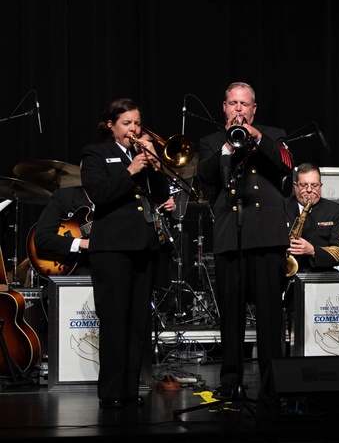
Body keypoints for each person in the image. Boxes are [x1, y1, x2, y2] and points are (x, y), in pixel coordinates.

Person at [197, 82, 293, 401]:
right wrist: (227, 147)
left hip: (267, 235)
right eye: (233, 103)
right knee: (232, 315)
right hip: (229, 236)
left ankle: (272, 378)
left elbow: (283, 168)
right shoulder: (212, 142)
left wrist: (255, 136)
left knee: (269, 315)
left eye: (245, 104)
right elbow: (206, 178)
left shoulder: (273, 133)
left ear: (254, 109)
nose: (239, 109)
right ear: (223, 107)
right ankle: (230, 378)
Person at [81, 98, 174, 409]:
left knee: (138, 322)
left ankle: (131, 388)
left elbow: (160, 197)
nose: (134, 129)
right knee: (115, 321)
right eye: (127, 123)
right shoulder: (97, 154)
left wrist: (157, 168)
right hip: (112, 249)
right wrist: (130, 169)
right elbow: (100, 195)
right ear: (111, 125)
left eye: (136, 123)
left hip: (144, 246)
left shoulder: (143, 156)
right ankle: (111, 392)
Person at [284, 162, 339, 273]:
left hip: (318, 274)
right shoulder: (280, 207)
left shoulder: (334, 210)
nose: (309, 190)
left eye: (314, 185)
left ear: (320, 186)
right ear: (295, 186)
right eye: (304, 185)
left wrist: (313, 250)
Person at [29, 183, 94, 278]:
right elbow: (41, 238)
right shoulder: (65, 197)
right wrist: (81, 243)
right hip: (72, 272)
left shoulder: (117, 203)